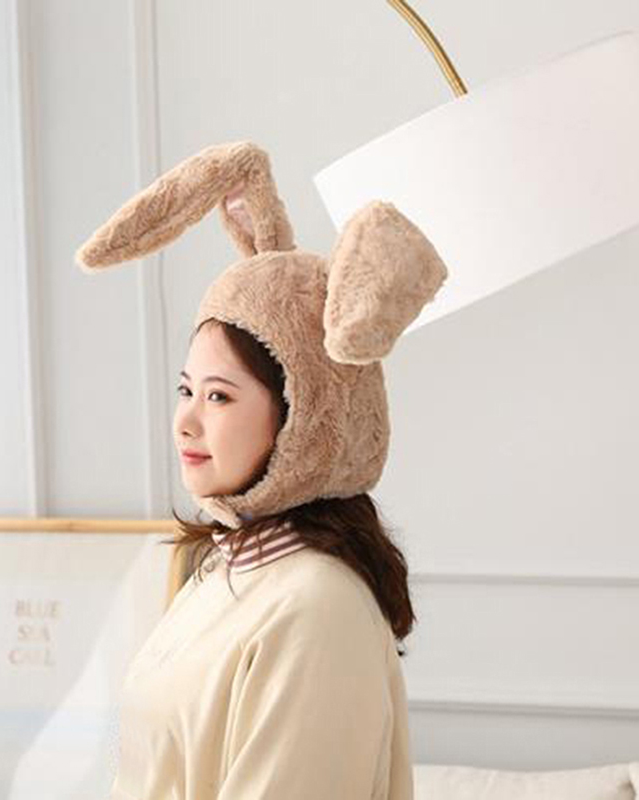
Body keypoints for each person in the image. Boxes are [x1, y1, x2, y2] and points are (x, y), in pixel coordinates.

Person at [75, 141, 448, 799]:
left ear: (304, 411)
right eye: (186, 390)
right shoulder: (228, 572)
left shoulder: (316, 606)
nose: (186, 421)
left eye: (219, 396)